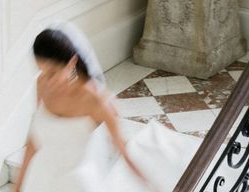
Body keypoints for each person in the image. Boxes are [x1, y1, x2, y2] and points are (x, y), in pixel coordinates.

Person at [13, 22, 155, 192]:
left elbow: (121, 149)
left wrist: (148, 182)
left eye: (53, 73)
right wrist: (19, 184)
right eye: (42, 71)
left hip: (74, 185)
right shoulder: (41, 84)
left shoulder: (96, 101)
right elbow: (34, 138)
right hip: (40, 180)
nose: (48, 81)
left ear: (71, 62)